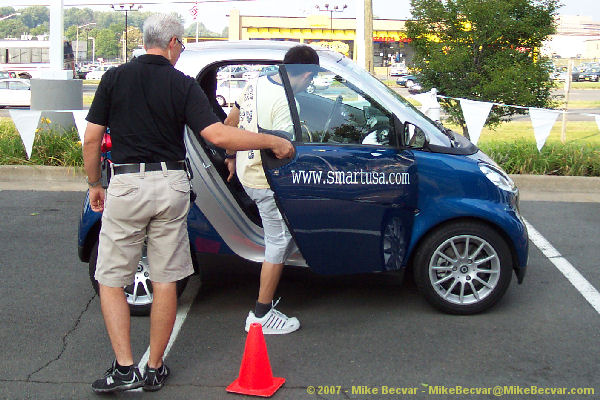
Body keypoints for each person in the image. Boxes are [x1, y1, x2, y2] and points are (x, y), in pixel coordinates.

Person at [83, 13, 294, 394]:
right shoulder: (180, 84)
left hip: (126, 184)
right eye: (181, 45)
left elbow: (92, 139)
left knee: (111, 279)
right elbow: (217, 135)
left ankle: (125, 367)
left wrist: (95, 183)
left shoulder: (113, 79)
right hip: (170, 183)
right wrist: (272, 142)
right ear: (173, 43)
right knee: (167, 278)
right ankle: (155, 367)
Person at [223, 45, 319, 335]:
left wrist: (230, 156)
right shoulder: (288, 105)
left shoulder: (255, 84)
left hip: (245, 172)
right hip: (265, 181)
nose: (311, 84)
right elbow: (283, 151)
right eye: (311, 79)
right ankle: (261, 313)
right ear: (304, 74)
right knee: (278, 240)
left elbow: (230, 122)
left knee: (279, 236)